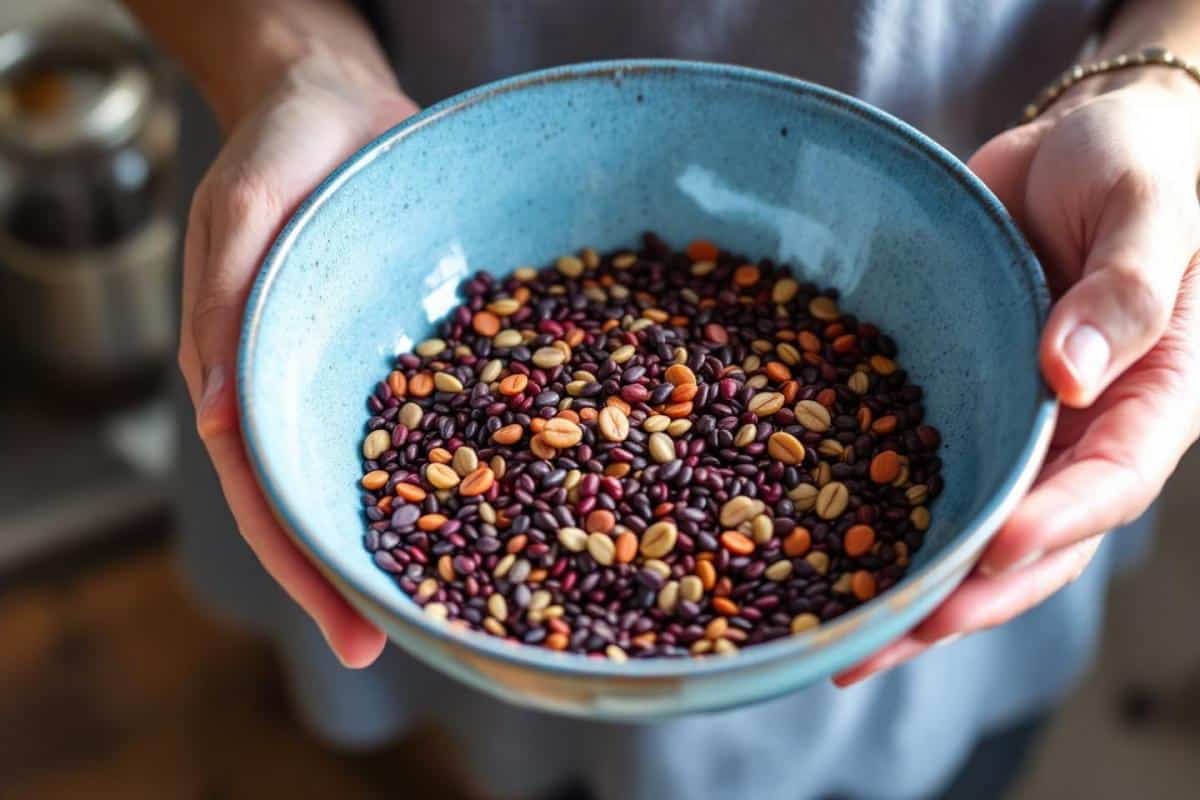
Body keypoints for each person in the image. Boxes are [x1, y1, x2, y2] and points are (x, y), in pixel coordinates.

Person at [123, 1, 1200, 797]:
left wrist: (1161, 81)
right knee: (425, 743)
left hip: (1006, 185)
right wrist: (283, 53)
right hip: (355, 164)